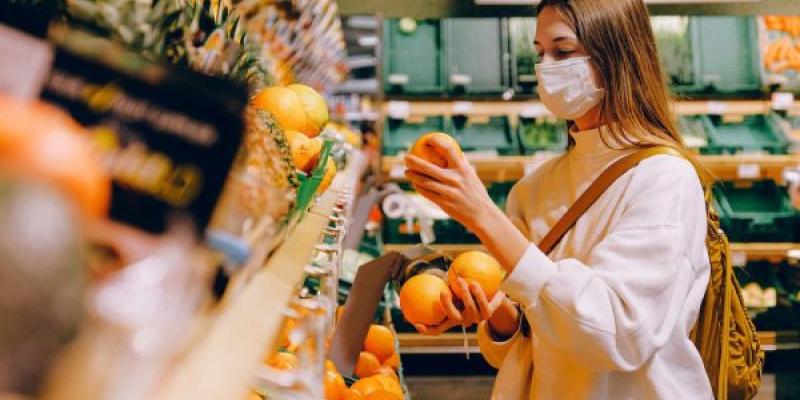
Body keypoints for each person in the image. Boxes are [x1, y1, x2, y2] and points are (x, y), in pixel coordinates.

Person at [403, 0, 714, 398]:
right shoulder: (536, 187)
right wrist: (491, 311)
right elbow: (529, 336)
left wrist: (482, 214)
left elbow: (618, 334)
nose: (546, 67)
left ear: (617, 56)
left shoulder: (664, 179)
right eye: (539, 53)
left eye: (563, 52)